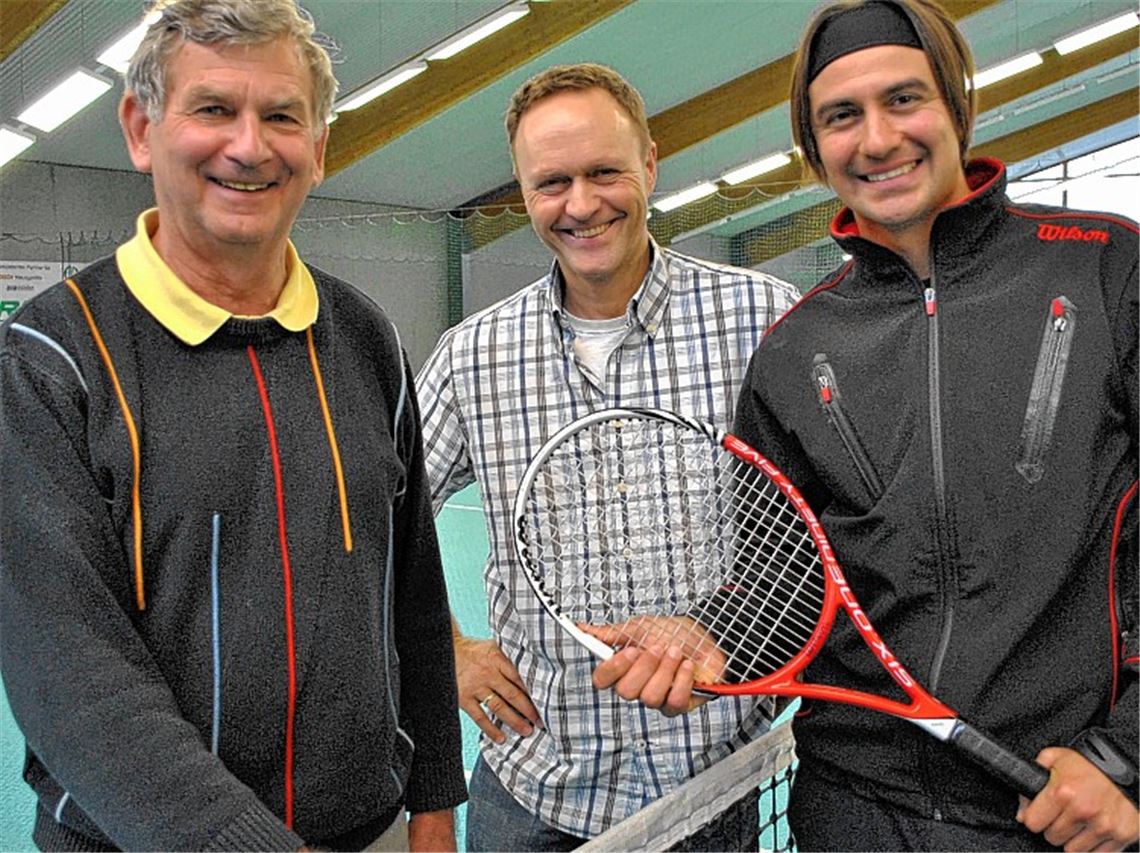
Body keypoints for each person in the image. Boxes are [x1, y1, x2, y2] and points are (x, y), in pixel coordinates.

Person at [588, 1, 1139, 850]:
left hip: (1066, 807)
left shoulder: (1107, 268)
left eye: (904, 100)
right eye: (841, 117)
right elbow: (784, 581)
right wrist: (705, 632)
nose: (878, 140)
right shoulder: (794, 349)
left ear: (957, 107)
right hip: (853, 810)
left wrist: (1124, 757)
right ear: (815, 151)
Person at [0, 0, 466, 849]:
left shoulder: (367, 339)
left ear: (318, 147)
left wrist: (433, 800)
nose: (249, 146)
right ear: (142, 130)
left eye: (281, 116)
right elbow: (72, 675)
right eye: (214, 109)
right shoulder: (49, 361)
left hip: (372, 832)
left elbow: (415, 598)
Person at [416, 63, 800, 850]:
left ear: (651, 165)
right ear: (523, 191)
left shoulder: (761, 318)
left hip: (708, 791)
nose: (581, 205)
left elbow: (813, 530)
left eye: (604, 172)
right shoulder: (471, 355)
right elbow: (378, 514)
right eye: (551, 182)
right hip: (532, 792)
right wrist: (445, 651)